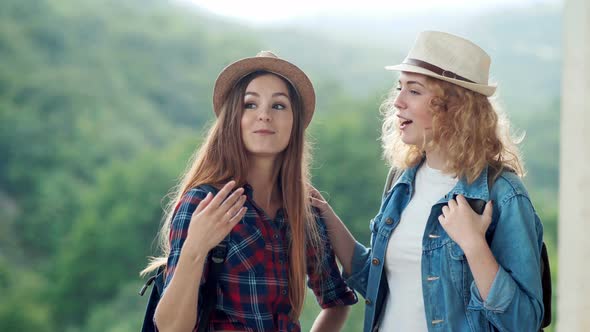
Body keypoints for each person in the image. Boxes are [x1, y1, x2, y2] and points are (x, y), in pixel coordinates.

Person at [311, 31, 545, 331]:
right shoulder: (401, 181)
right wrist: (322, 211)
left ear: (456, 107)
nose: (397, 101)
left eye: (414, 90)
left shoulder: (503, 195)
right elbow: (379, 281)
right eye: (400, 88)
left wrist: (474, 245)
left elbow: (524, 322)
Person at [141, 51, 357, 332]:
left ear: (294, 123)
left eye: (279, 106)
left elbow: (337, 302)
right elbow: (170, 327)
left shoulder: (304, 214)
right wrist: (196, 247)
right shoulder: (204, 203)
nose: (264, 115)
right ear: (234, 119)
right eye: (250, 104)